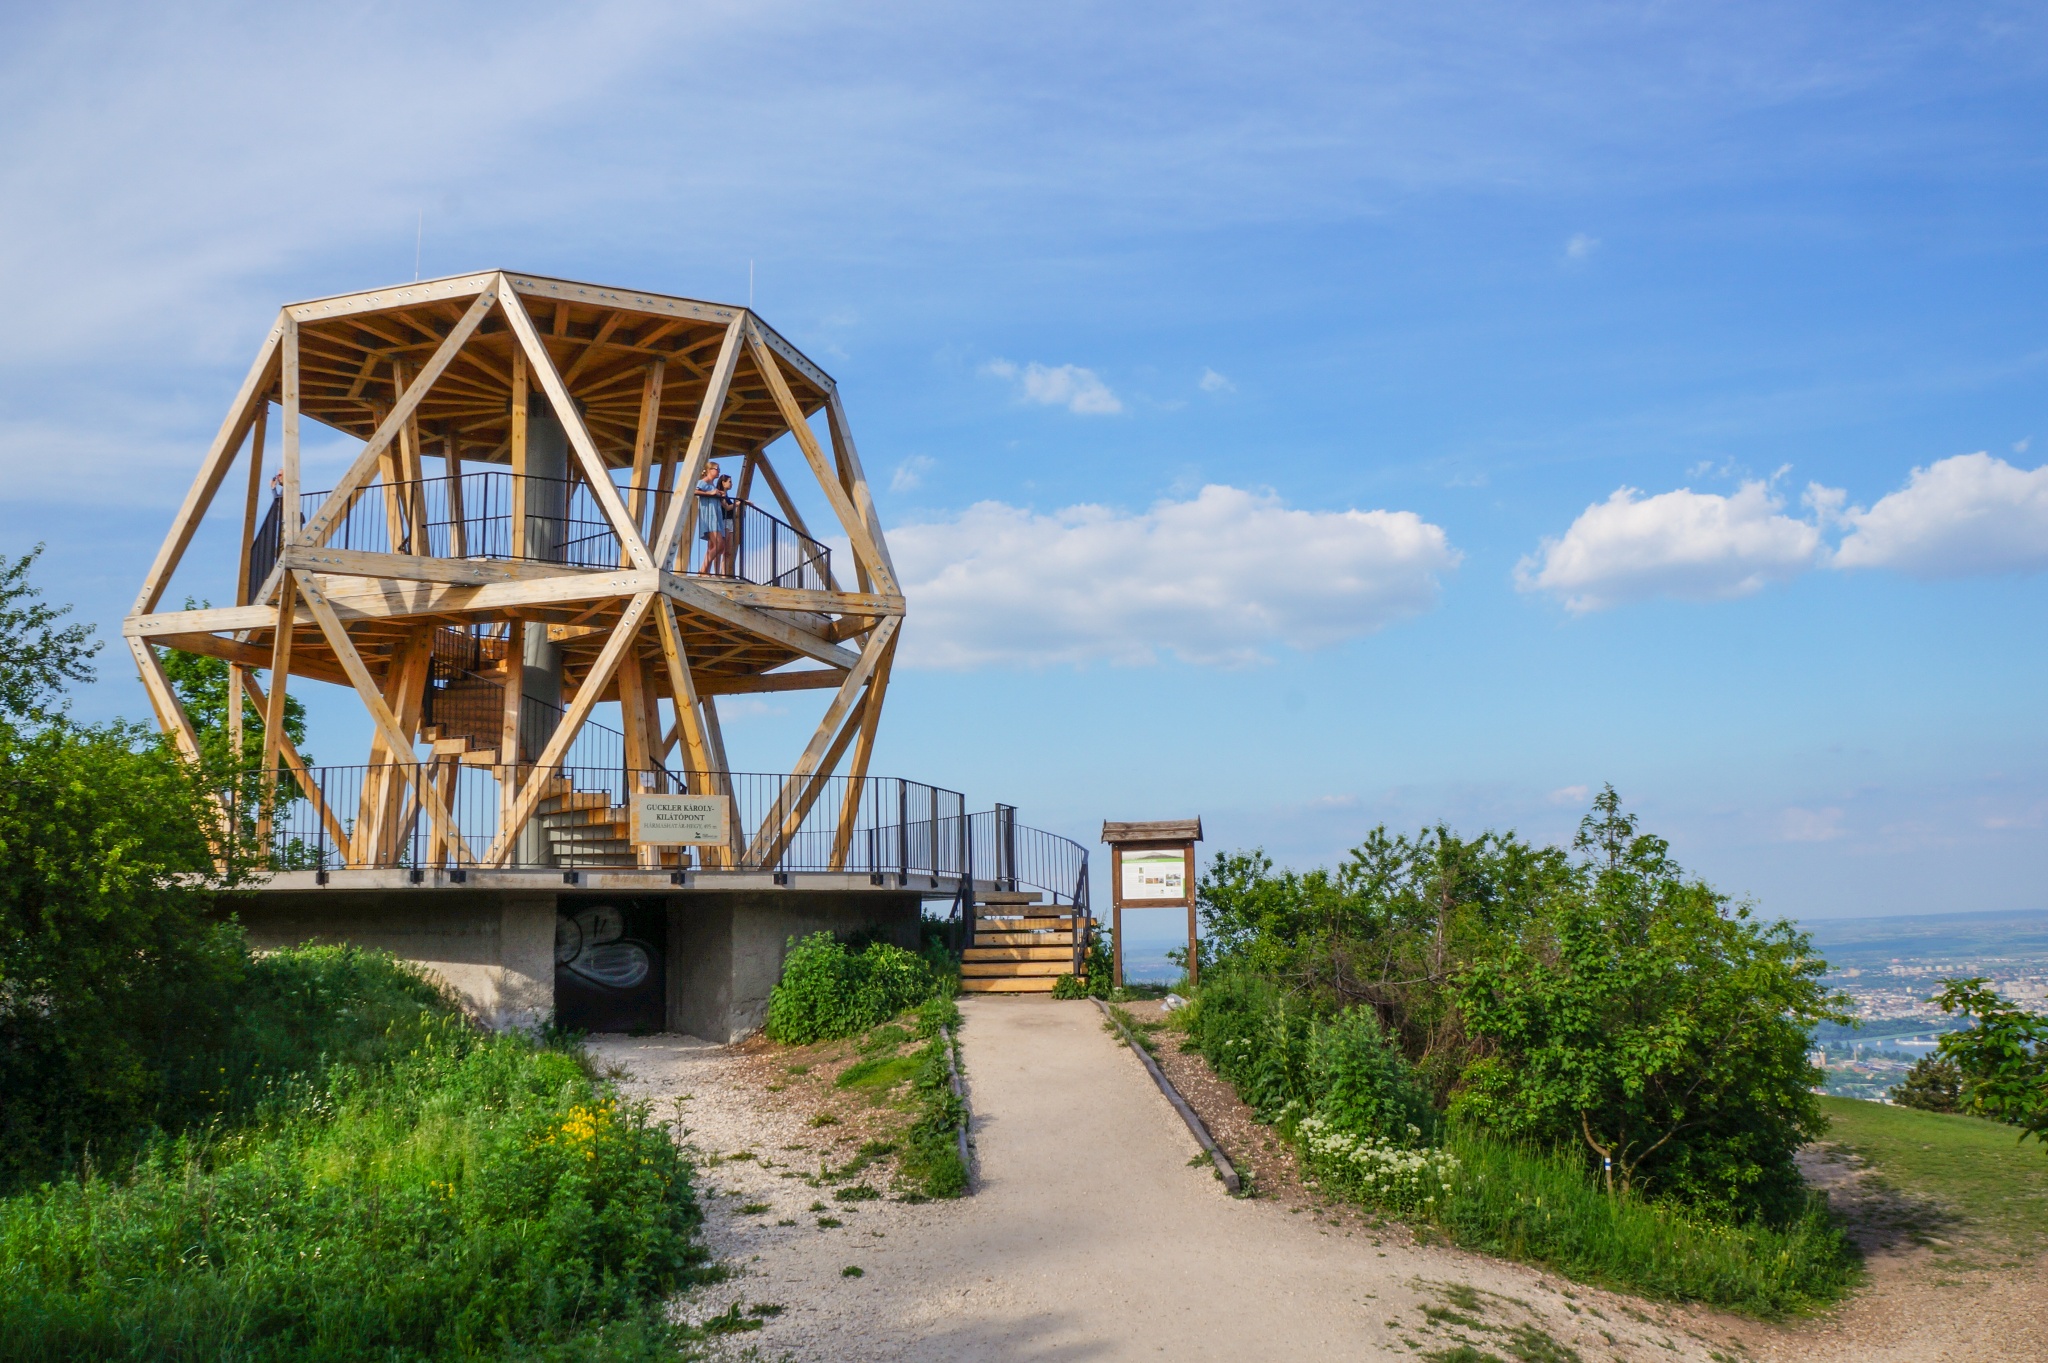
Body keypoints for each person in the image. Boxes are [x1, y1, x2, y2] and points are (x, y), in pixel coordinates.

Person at [696, 461, 730, 574]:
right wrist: (710, 493)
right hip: (710, 517)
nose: (718, 471)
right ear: (709, 470)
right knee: (719, 545)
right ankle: (703, 570)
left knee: (716, 546)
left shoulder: (711, 485)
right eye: (716, 468)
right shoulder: (703, 481)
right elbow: (695, 491)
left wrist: (719, 494)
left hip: (716, 516)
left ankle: (704, 570)